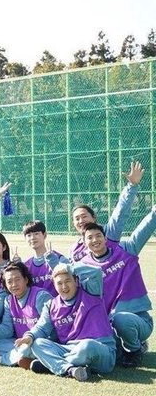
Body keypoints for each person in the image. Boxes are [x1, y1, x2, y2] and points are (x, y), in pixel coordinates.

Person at [15, 262, 116, 381]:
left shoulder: (90, 291)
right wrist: (29, 336)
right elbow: (41, 328)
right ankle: (70, 369)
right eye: (59, 283)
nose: (64, 286)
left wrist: (70, 268)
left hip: (100, 349)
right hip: (70, 349)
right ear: (54, 285)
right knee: (37, 344)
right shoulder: (51, 305)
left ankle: (51, 366)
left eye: (68, 281)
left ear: (76, 281)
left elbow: (96, 272)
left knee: (87, 346)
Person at [79, 209, 155, 367]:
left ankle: (134, 350)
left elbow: (145, 229)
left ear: (105, 238)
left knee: (121, 319)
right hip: (109, 324)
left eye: (98, 236)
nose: (95, 240)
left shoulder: (126, 250)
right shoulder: (83, 266)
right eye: (90, 238)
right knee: (101, 341)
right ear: (84, 243)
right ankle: (123, 347)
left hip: (138, 320)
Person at [0, 262, 52, 368]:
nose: (14, 284)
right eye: (9, 281)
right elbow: (7, 331)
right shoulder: (9, 300)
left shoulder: (41, 296)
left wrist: (30, 338)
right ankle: (31, 359)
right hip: (23, 342)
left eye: (17, 279)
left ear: (26, 279)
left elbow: (47, 326)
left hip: (42, 341)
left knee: (32, 347)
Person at [69, 161, 143, 261]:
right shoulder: (74, 250)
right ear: (73, 223)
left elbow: (121, 211)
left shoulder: (109, 232)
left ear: (94, 217)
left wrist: (132, 186)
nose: (81, 221)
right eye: (77, 219)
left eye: (84, 216)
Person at [21, 221, 68, 296]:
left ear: (45, 235)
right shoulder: (26, 265)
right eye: (29, 235)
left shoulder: (59, 259)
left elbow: (70, 279)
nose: (32, 238)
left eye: (36, 234)